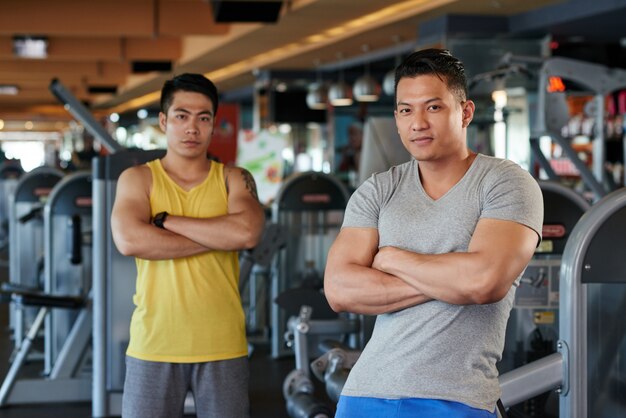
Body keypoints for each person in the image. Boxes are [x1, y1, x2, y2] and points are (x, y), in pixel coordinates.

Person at [324, 49, 543, 418]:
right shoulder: (378, 190)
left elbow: (483, 282)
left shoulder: (506, 184)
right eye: (406, 110)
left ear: (466, 112)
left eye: (434, 107)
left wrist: (392, 259)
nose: (418, 123)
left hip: (456, 399)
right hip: (364, 394)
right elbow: (340, 289)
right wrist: (452, 277)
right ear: (396, 118)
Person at [111, 73, 265, 418]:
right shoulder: (138, 179)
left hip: (223, 343)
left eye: (203, 117)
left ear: (213, 124)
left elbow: (247, 234)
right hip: (154, 344)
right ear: (164, 121)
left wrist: (166, 221)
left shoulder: (234, 178)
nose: (192, 128)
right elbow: (129, 239)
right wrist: (217, 236)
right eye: (181, 116)